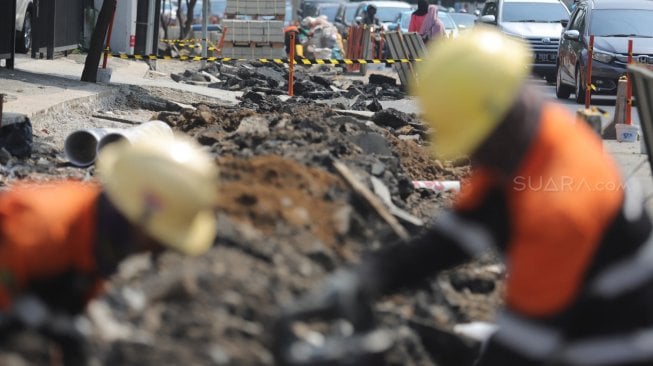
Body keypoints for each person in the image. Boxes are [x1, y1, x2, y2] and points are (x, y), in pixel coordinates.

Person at [275, 27, 653, 366]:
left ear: (498, 123)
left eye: (475, 142)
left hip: (611, 348)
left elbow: (521, 350)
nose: (473, 156)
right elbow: (450, 240)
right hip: (572, 322)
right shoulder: (533, 139)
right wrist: (365, 279)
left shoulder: (559, 208)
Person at [0, 134, 219, 365]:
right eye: (157, 240)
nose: (158, 251)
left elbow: (73, 295)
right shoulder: (45, 228)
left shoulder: (101, 234)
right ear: (137, 218)